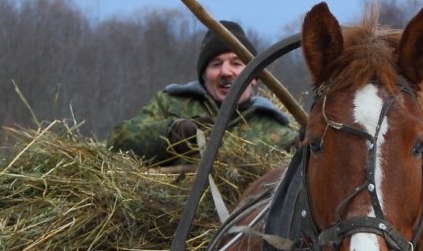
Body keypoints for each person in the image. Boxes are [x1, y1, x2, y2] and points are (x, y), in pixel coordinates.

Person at [108, 20, 298, 166]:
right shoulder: (170, 103)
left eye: (236, 63)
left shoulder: (276, 131)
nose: (225, 72)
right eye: (216, 64)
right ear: (204, 76)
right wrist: (175, 134)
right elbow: (117, 142)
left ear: (254, 78)